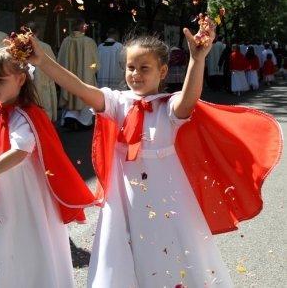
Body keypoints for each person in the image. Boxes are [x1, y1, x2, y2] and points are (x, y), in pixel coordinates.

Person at [28, 21, 281, 287]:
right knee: (126, 253)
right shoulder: (116, 102)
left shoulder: (168, 108)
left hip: (167, 198)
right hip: (125, 198)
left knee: (172, 250)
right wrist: (43, 61)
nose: (135, 74)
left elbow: (189, 99)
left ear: (162, 72)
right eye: (131, 67)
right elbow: (79, 87)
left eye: (144, 68)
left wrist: (197, 59)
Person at [0, 48, 97, 287]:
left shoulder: (29, 116)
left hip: (29, 196)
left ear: (21, 80)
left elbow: (20, 151)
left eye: (1, 80)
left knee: (32, 241)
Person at [57, 18, 98, 128]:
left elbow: (60, 61)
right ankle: (83, 122)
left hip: (69, 77)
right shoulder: (88, 42)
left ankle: (70, 116)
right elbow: (95, 62)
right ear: (81, 27)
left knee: (71, 95)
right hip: (85, 76)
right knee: (85, 97)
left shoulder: (66, 41)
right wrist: (90, 70)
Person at [27, 21, 57, 121]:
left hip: (26, 87)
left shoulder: (19, 48)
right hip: (44, 86)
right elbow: (54, 67)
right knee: (44, 114)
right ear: (38, 32)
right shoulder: (45, 47)